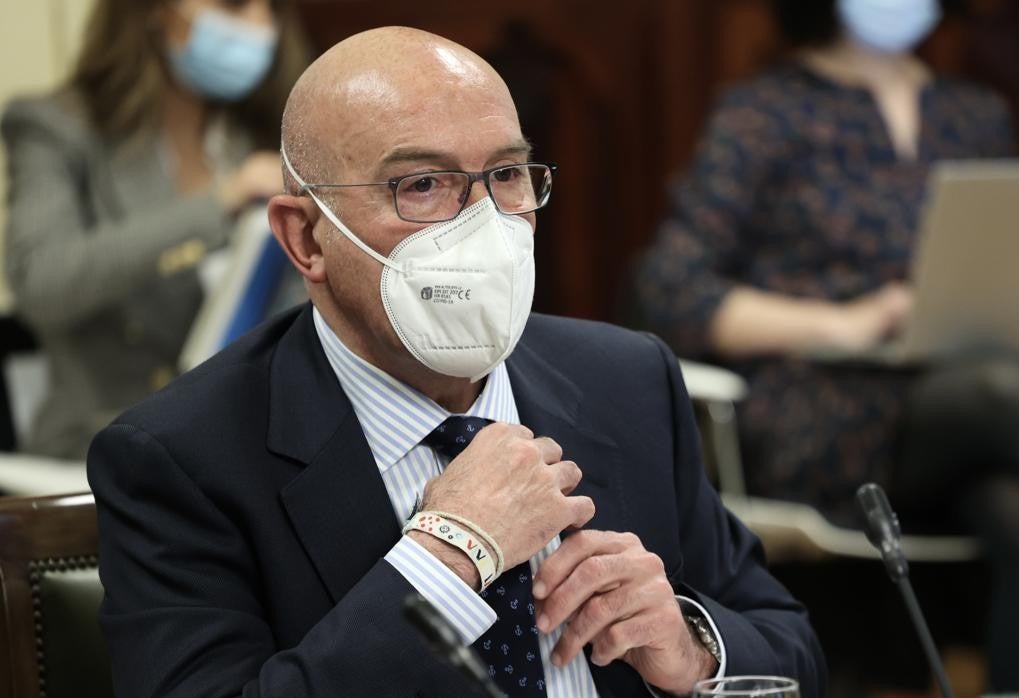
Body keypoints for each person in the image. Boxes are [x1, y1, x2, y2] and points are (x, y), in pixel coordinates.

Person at [86, 26, 826, 697]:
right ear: (307, 239)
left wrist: (690, 645)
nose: (484, 226)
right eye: (421, 185)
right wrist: (448, 558)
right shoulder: (181, 458)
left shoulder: (627, 380)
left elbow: (792, 648)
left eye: (507, 175)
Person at [637, 0, 1019, 690]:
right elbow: (672, 287)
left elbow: (1014, 263)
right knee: (1001, 388)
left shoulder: (973, 114)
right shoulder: (762, 114)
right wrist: (848, 322)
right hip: (825, 415)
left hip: (970, 416)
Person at [1, 0, 309, 459]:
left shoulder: (268, 130)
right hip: (106, 445)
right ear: (152, 10)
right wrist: (219, 201)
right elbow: (43, 282)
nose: (260, 28)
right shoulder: (56, 127)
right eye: (234, 6)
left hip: (252, 439)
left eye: (272, 10)